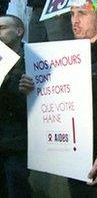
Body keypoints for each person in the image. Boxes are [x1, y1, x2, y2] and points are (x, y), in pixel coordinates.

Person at [19, 0, 97, 197]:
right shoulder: (70, 54)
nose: (74, 21)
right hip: (76, 156)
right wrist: (30, 87)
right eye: (71, 14)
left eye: (82, 13)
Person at [0, 14, 32, 197]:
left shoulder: (35, 60)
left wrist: (24, 90)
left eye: (2, 28)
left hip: (19, 143)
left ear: (19, 31)